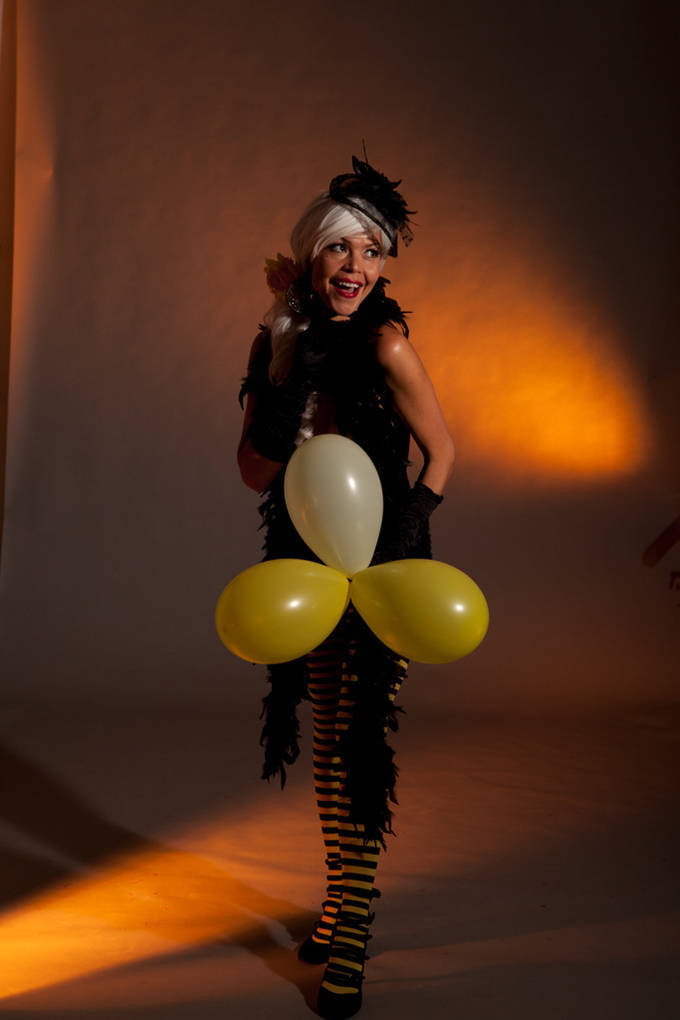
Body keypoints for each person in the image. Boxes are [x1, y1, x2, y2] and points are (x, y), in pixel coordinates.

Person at [237, 154, 455, 1019]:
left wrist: (403, 538)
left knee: (360, 748)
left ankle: (353, 927)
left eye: (372, 250)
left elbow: (443, 451)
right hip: (306, 563)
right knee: (328, 747)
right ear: (310, 257)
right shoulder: (277, 344)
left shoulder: (386, 343)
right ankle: (338, 904)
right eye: (340, 248)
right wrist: (289, 379)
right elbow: (255, 472)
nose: (356, 265)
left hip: (386, 565)